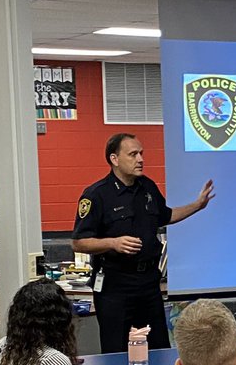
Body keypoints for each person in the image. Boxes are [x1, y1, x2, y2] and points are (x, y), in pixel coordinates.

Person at [72, 132, 215, 353]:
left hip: (148, 283)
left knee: (159, 348)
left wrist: (197, 205)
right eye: (133, 154)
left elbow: (166, 216)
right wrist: (113, 243)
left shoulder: (147, 187)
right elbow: (79, 242)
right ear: (114, 159)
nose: (140, 159)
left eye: (141, 153)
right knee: (116, 350)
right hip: (115, 285)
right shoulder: (96, 195)